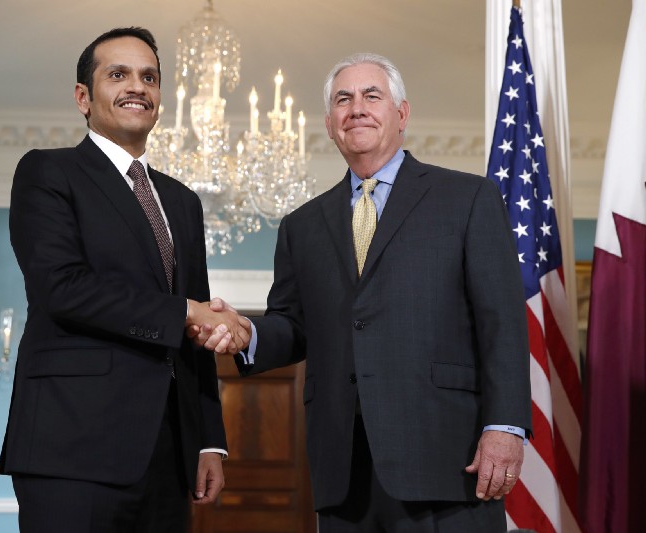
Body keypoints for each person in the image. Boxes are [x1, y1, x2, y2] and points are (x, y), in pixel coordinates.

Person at [192, 53, 532, 532]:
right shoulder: (301, 226)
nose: (356, 108)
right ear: (330, 125)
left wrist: (505, 426)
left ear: (402, 114)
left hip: (447, 459)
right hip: (344, 469)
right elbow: (293, 326)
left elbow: (502, 322)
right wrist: (247, 332)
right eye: (343, 99)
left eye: (372, 96)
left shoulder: (468, 198)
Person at [0, 27, 249, 533]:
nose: (138, 86)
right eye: (118, 74)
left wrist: (207, 440)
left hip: (169, 453)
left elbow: (195, 337)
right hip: (71, 448)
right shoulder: (47, 172)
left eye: (149, 77)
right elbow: (62, 289)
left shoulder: (182, 202)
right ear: (83, 98)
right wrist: (185, 312)